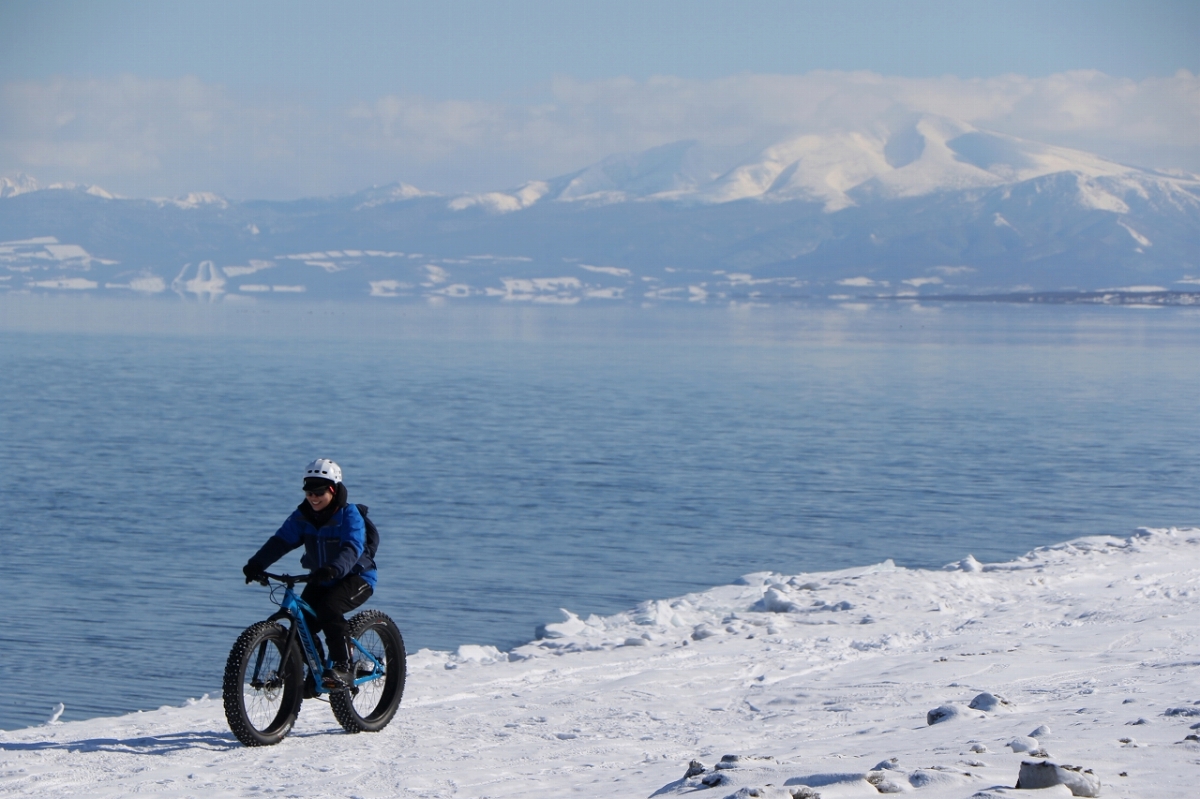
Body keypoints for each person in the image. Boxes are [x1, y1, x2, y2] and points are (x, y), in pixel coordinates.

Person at [242, 458, 377, 690]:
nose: (313, 497)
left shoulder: (349, 514)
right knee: (299, 622)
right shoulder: (303, 515)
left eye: (319, 491)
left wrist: (334, 568)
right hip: (321, 577)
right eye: (308, 491)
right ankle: (319, 670)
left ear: (333, 490)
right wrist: (256, 564)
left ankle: (343, 667)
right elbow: (280, 541)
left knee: (329, 609)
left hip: (357, 576)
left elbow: (352, 547)